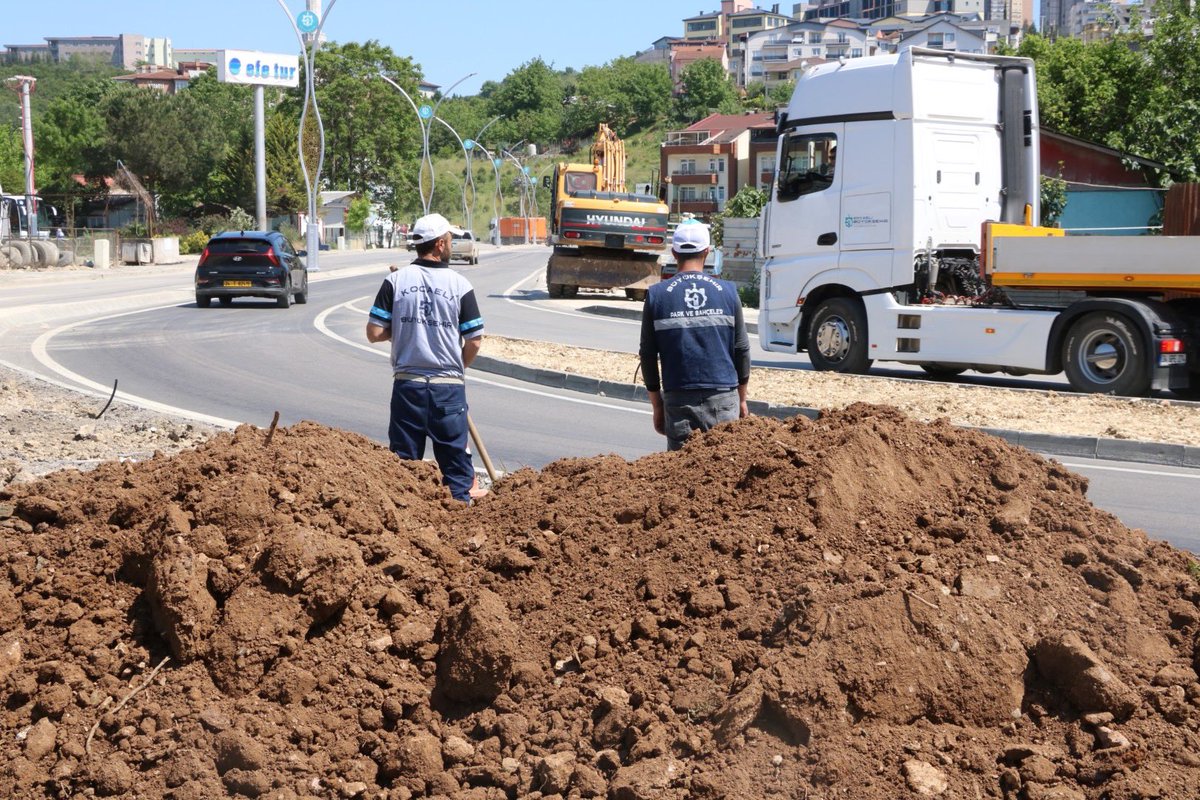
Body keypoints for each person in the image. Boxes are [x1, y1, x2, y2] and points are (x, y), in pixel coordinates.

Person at [366, 213, 484, 503]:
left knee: (404, 468)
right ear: (440, 245)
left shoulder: (395, 281)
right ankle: (462, 521)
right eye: (450, 239)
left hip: (408, 387)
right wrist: (458, 369)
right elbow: (474, 340)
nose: (452, 243)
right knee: (457, 469)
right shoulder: (460, 285)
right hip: (448, 389)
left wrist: (404, 330)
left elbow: (373, 332)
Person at [639, 220, 751, 451]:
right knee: (724, 472)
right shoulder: (729, 292)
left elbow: (647, 355)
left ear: (674, 253)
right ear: (707, 252)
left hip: (679, 400)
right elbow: (742, 349)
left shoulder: (657, 295)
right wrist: (741, 399)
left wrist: (657, 406)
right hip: (724, 400)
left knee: (681, 477)